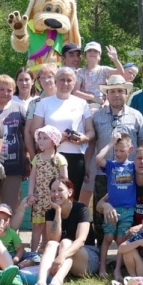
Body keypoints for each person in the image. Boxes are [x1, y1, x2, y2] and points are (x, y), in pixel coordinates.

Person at [89, 74, 143, 235]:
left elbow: (142, 144)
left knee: (127, 218)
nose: (116, 95)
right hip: (103, 172)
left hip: (129, 174)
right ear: (107, 94)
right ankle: (101, 255)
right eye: (112, 91)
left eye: (120, 91)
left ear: (126, 93)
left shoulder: (136, 116)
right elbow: (93, 143)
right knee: (102, 215)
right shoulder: (97, 116)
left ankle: (125, 255)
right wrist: (88, 165)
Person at [33, 66, 94, 200]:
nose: (65, 84)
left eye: (69, 80)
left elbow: (91, 132)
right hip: (51, 156)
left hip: (76, 156)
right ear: (55, 81)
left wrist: (84, 138)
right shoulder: (44, 103)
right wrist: (56, 137)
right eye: (61, 80)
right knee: (51, 198)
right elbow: (36, 132)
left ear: (74, 83)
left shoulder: (82, 103)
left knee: (72, 198)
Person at [31, 178, 99, 285]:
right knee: (52, 244)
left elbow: (81, 240)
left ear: (70, 192)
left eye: (60, 190)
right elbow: (53, 239)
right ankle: (41, 282)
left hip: (87, 259)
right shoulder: (50, 213)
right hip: (64, 261)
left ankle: (57, 283)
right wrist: (57, 211)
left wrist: (61, 256)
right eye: (53, 191)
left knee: (66, 242)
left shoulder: (81, 209)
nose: (56, 194)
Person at [95, 132, 136, 278]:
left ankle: (118, 269)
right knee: (108, 237)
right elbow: (99, 158)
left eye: (122, 151)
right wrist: (111, 143)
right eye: (116, 150)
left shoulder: (133, 166)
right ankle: (102, 268)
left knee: (120, 239)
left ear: (130, 150)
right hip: (111, 209)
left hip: (128, 209)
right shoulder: (111, 165)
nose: (118, 154)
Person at [26, 125, 68, 254]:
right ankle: (33, 254)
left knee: (50, 227)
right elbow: (32, 177)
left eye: (45, 138)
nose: (41, 141)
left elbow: (64, 180)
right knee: (37, 226)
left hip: (52, 200)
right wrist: (30, 194)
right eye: (39, 138)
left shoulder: (59, 159)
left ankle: (47, 252)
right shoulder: (37, 158)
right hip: (39, 199)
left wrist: (60, 198)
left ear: (53, 141)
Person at [0, 74, 27, 207]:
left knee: (10, 207)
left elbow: (26, 135)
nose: (5, 93)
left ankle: (10, 229)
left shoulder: (19, 108)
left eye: (9, 90)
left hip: (14, 164)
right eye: (1, 89)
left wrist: (27, 158)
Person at [24, 63, 58, 160]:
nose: (46, 80)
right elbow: (27, 132)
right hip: (41, 153)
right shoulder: (34, 103)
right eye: (42, 78)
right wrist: (33, 156)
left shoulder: (66, 100)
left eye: (49, 77)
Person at [74, 41, 124, 106]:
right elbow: (75, 92)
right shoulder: (80, 72)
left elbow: (120, 73)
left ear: (99, 55)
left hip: (102, 104)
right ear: (85, 55)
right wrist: (93, 97)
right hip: (84, 105)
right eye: (89, 51)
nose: (92, 53)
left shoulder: (103, 70)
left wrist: (115, 59)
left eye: (95, 51)